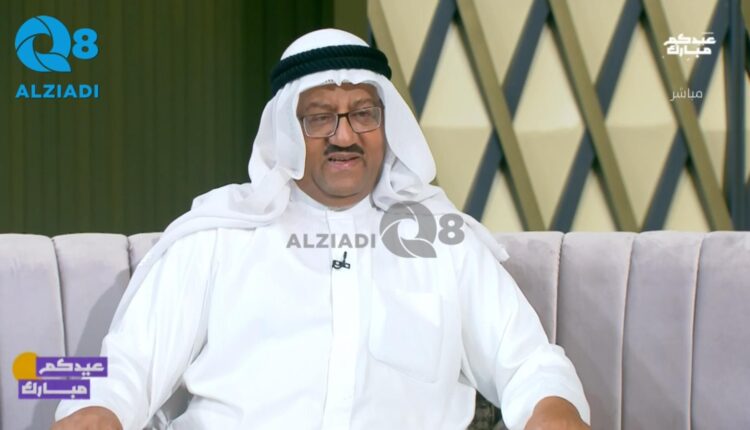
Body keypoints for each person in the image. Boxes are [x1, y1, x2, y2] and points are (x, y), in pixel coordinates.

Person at [52, 29, 590, 430]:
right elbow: (126, 363)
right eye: (319, 117)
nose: (344, 136)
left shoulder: (444, 242)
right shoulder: (217, 236)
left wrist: (552, 410)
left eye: (363, 114)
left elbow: (529, 363)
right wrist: (97, 410)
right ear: (287, 128)